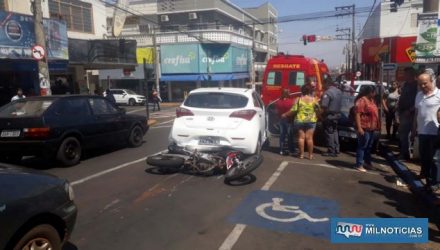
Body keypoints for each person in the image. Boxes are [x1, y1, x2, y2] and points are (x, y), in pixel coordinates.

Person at [412, 68, 440, 191]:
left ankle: (435, 183)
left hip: (435, 133)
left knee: (435, 159)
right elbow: (416, 113)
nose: (423, 86)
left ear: (431, 81)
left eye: (425, 83)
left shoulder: (439, 94)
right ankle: (428, 180)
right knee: (425, 157)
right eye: (420, 84)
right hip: (422, 132)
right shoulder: (418, 95)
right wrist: (414, 129)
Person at [283, 84, 320, 159]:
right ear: (310, 91)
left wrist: (285, 114)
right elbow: (318, 110)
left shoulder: (298, 99)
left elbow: (293, 110)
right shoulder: (314, 100)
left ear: (302, 90)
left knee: (301, 138)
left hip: (300, 120)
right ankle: (310, 155)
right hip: (311, 120)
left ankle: (301, 155)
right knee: (309, 138)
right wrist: (318, 116)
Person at [354, 85, 380, 172]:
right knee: (362, 146)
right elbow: (357, 114)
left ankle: (367, 163)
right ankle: (359, 164)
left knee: (368, 147)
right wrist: (359, 128)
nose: (375, 93)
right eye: (374, 92)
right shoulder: (362, 101)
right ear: (370, 92)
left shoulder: (372, 100)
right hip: (364, 127)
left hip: (371, 128)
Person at [397, 67, 418, 160]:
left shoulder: (416, 86)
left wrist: (410, 110)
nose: (404, 76)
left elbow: (417, 101)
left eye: (406, 74)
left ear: (411, 74)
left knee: (406, 135)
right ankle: (404, 152)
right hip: (402, 112)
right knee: (402, 134)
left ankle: (404, 154)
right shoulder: (405, 84)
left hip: (410, 113)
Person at [320, 80, 343, 157]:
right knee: (335, 131)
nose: (323, 87)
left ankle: (331, 150)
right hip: (337, 115)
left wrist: (319, 114)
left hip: (329, 115)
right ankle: (337, 149)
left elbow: (324, 106)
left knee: (329, 133)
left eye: (323, 85)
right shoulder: (339, 91)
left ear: (327, 84)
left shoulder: (327, 93)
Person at [276, 89, 294, 155]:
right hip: (289, 119)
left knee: (282, 135)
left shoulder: (278, 101)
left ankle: (281, 149)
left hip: (281, 119)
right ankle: (291, 149)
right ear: (288, 94)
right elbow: (292, 111)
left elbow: (277, 111)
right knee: (290, 135)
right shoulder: (291, 101)